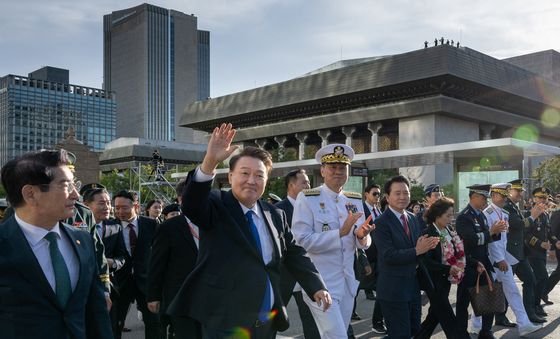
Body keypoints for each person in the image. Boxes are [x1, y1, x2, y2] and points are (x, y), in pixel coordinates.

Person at [167, 123, 331, 339]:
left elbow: (295, 253)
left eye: (259, 175)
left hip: (266, 319)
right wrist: (209, 163)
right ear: (231, 176)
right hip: (225, 321)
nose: (252, 180)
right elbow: (192, 204)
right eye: (245, 173)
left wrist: (316, 285)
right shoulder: (216, 205)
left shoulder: (275, 214)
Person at [0, 149, 112, 338]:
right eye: (66, 186)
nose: (76, 195)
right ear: (31, 194)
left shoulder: (82, 241)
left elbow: (96, 314)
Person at [292, 143, 374, 338]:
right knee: (337, 336)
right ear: (322, 170)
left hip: (347, 282)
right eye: (332, 167)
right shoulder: (308, 198)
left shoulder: (353, 200)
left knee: (335, 334)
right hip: (320, 282)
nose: (338, 172)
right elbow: (301, 241)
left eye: (342, 168)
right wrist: (339, 232)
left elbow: (363, 241)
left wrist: (362, 236)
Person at [372, 175, 439, 338]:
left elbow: (418, 247)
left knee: (413, 331)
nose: (402, 197)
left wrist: (428, 245)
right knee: (400, 334)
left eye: (406, 192)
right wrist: (418, 250)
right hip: (393, 289)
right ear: (387, 197)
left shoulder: (412, 218)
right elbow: (388, 255)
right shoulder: (381, 222)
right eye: (397, 193)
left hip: (413, 287)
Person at [480, 183, 542, 336]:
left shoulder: (504, 213)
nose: (504, 199)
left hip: (504, 257)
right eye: (501, 196)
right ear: (493, 196)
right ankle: (477, 325)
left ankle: (524, 324)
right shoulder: (487, 213)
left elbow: (503, 240)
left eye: (505, 196)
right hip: (493, 260)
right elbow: (491, 240)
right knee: (487, 291)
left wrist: (505, 258)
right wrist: (500, 259)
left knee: (512, 291)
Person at [455, 184, 506, 339]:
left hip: (484, 263)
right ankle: (461, 333)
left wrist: (498, 230)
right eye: (483, 197)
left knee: (488, 299)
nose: (486, 200)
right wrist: (491, 232)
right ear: (474, 197)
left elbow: (487, 238)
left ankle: (486, 331)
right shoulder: (464, 216)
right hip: (469, 264)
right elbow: (471, 240)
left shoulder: (481, 214)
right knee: (463, 303)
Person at [147, 194, 202, 338]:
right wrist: (153, 295)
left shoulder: (214, 224)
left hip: (211, 297)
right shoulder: (168, 227)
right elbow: (157, 263)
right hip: (180, 297)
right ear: (181, 199)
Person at [275, 169, 320, 339]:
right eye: (304, 182)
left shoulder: (314, 209)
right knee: (273, 319)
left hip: (306, 272)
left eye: (309, 182)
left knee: (311, 320)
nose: (308, 185)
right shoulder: (277, 210)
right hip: (284, 274)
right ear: (291, 185)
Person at [415, 197, 467, 339]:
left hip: (445, 281)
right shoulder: (429, 232)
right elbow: (425, 262)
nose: (451, 219)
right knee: (449, 319)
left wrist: (469, 263)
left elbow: (458, 251)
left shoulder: (448, 230)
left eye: (452, 215)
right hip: (433, 282)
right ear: (438, 215)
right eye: (448, 215)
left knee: (434, 317)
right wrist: (447, 269)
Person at [113, 190, 161, 339]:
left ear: (136, 206)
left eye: (124, 208)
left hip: (146, 282)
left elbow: (160, 254)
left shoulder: (151, 224)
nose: (120, 212)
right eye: (117, 208)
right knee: (115, 324)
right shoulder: (110, 226)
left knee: (154, 323)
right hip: (120, 283)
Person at [82, 183, 128, 335]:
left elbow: (122, 257)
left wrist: (113, 262)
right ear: (86, 205)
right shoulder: (76, 228)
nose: (107, 207)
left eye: (109, 203)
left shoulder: (115, 227)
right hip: (84, 290)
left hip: (108, 287)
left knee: (110, 329)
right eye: (102, 203)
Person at [498, 179, 545, 324]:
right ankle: (500, 316)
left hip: (519, 252)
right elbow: (517, 225)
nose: (520, 194)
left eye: (521, 191)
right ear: (509, 191)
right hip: (510, 252)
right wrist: (532, 216)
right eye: (517, 191)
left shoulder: (514, 206)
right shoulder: (507, 206)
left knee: (530, 280)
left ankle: (529, 313)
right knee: (506, 285)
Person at [526, 187, 558, 319]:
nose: (543, 201)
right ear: (534, 199)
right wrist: (540, 243)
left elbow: (549, 232)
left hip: (542, 253)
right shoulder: (529, 213)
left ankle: (536, 304)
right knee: (542, 277)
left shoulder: (544, 214)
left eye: (545, 198)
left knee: (539, 279)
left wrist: (556, 242)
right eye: (540, 198)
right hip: (531, 252)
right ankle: (534, 305)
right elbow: (526, 235)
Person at [361, 183, 386, 334]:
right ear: (366, 195)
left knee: (382, 290)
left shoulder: (379, 210)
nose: (377, 197)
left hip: (379, 257)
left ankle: (377, 322)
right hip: (366, 256)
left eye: (379, 194)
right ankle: (347, 317)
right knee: (355, 288)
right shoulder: (360, 210)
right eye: (374, 194)